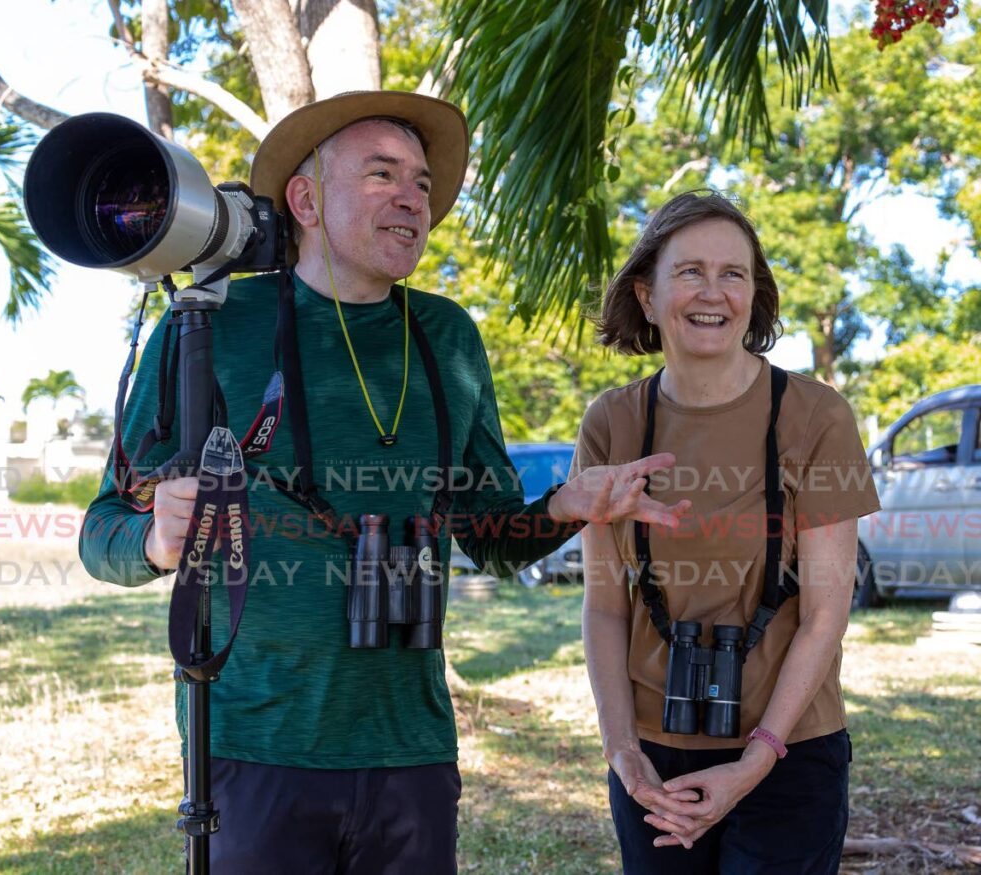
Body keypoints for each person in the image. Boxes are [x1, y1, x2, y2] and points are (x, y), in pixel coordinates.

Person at [79, 91, 688, 874]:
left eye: (423, 184)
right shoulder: (209, 320)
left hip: (412, 751)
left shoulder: (448, 337)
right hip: (255, 748)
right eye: (381, 174)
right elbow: (101, 534)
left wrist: (568, 507)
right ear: (304, 200)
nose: (413, 198)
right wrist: (156, 541)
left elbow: (492, 540)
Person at [574, 190, 881, 874]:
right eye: (689, 271)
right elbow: (603, 604)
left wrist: (755, 759)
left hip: (789, 751)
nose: (713, 292)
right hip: (652, 761)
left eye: (733, 273)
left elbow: (826, 615)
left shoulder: (817, 416)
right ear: (647, 296)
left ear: (754, 295)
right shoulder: (611, 424)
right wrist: (621, 748)